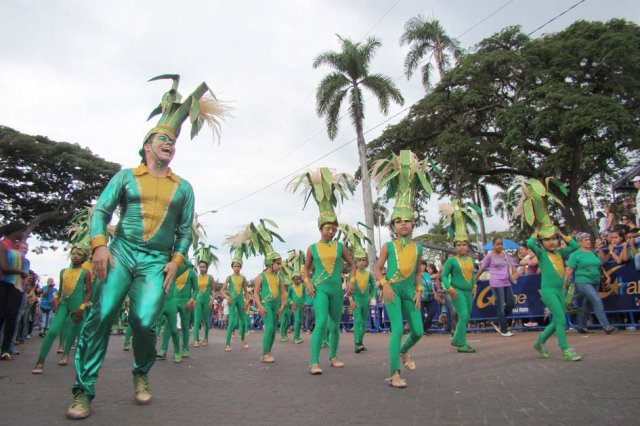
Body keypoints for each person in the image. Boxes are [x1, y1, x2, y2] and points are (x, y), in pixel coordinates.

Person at [66, 75, 227, 420]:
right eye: (163, 139)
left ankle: (141, 372)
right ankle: (83, 391)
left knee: (143, 321)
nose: (169, 143)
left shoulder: (184, 187)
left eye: (172, 140)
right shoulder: (125, 177)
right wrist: (99, 245)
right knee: (102, 316)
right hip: (121, 253)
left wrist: (177, 259)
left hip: (156, 261)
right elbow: (101, 211)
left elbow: (185, 230)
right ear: (147, 145)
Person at [372, 150, 435, 388]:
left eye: (407, 221)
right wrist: (383, 284)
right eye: (399, 221)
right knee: (397, 328)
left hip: (410, 291)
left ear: (413, 223)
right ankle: (394, 374)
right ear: (393, 225)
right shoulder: (388, 246)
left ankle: (404, 352)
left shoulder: (418, 248)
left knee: (418, 331)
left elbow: (418, 272)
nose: (404, 224)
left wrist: (419, 289)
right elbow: (377, 269)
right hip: (392, 291)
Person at [289, 168, 357, 375]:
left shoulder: (339, 247)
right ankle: (314, 361)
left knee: (336, 324)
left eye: (334, 229)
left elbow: (353, 264)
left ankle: (334, 356)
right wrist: (308, 283)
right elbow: (305, 268)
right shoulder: (313, 248)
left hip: (337, 289)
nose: (331, 231)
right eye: (328, 228)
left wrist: (351, 281)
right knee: (321, 323)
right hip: (320, 289)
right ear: (320, 228)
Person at [32, 246, 92, 373]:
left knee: (74, 332)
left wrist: (82, 308)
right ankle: (40, 360)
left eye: (79, 254)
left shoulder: (85, 273)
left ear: (84, 258)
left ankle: (66, 355)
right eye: (73, 253)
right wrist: (55, 298)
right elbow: (60, 290)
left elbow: (88, 293)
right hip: (64, 305)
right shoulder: (63, 271)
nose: (75, 256)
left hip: (78, 307)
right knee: (53, 331)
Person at [527, 226, 581, 361]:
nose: (551, 242)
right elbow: (530, 244)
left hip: (559, 291)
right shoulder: (541, 254)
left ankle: (539, 342)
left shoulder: (560, 253)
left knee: (558, 320)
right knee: (561, 320)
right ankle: (565, 350)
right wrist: (536, 233)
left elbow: (575, 245)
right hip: (548, 291)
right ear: (542, 242)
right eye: (547, 240)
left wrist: (561, 234)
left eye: (554, 239)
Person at [440, 200, 479, 354]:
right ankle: (460, 343)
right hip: (457, 291)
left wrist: (475, 285)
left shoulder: (471, 260)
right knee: (462, 315)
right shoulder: (451, 260)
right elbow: (443, 276)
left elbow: (472, 275)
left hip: (469, 291)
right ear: (455, 247)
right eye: (459, 244)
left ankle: (459, 340)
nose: (462, 247)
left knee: (466, 317)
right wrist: (449, 288)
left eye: (464, 244)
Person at [565, 232, 615, 334]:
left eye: (589, 239)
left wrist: (607, 276)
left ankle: (582, 325)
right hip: (583, 281)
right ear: (580, 242)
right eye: (585, 240)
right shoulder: (575, 255)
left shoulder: (593, 252)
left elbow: (599, 266)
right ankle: (606, 326)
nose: (588, 242)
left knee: (587, 303)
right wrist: (565, 283)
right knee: (597, 300)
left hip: (595, 280)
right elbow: (569, 270)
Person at [475, 237, 516, 337]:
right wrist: (475, 279)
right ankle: (504, 329)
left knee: (511, 303)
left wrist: (515, 273)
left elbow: (513, 265)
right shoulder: (489, 256)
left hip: (507, 282)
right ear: (493, 245)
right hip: (496, 282)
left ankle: (497, 321)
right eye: (497, 244)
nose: (500, 246)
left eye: (501, 244)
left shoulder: (506, 254)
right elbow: (482, 268)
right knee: (501, 306)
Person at [0, 222, 29, 360]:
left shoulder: (18, 247)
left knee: (12, 317)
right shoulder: (3, 244)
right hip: (4, 284)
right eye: (22, 231)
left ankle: (6, 349)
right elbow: (4, 267)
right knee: (1, 315)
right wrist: (21, 271)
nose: (23, 234)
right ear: (15, 231)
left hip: (17, 287)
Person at [220, 256, 249, 351]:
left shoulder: (243, 278)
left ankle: (243, 340)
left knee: (244, 321)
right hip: (232, 300)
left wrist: (247, 302)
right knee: (231, 322)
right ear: (232, 267)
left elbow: (246, 291)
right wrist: (227, 298)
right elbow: (222, 291)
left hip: (240, 300)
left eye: (238, 266)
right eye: (235, 266)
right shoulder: (229, 278)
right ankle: (227, 344)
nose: (236, 268)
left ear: (241, 267)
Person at [349, 248, 374, 353]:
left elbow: (374, 287)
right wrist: (351, 300)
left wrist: (372, 298)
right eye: (359, 260)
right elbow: (349, 289)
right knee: (358, 321)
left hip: (366, 301)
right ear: (355, 261)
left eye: (363, 260)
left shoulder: (369, 274)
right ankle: (357, 343)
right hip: (356, 301)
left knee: (363, 323)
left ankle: (360, 343)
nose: (361, 262)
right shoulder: (353, 274)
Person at [193, 260, 215, 347]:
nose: (202, 268)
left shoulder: (210, 277)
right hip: (198, 300)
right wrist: (193, 299)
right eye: (200, 267)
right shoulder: (196, 277)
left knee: (206, 320)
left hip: (207, 301)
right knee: (197, 320)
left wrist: (212, 299)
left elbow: (213, 289)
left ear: (207, 268)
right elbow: (193, 290)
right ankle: (195, 339)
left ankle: (206, 338)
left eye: (204, 267)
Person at [420, 262, 438, 335]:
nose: (422, 266)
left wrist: (435, 293)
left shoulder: (428, 274)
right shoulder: (416, 274)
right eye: (421, 265)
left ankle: (425, 328)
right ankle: (421, 330)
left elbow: (431, 285)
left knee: (432, 312)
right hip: (420, 298)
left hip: (429, 297)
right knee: (421, 314)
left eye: (424, 265)